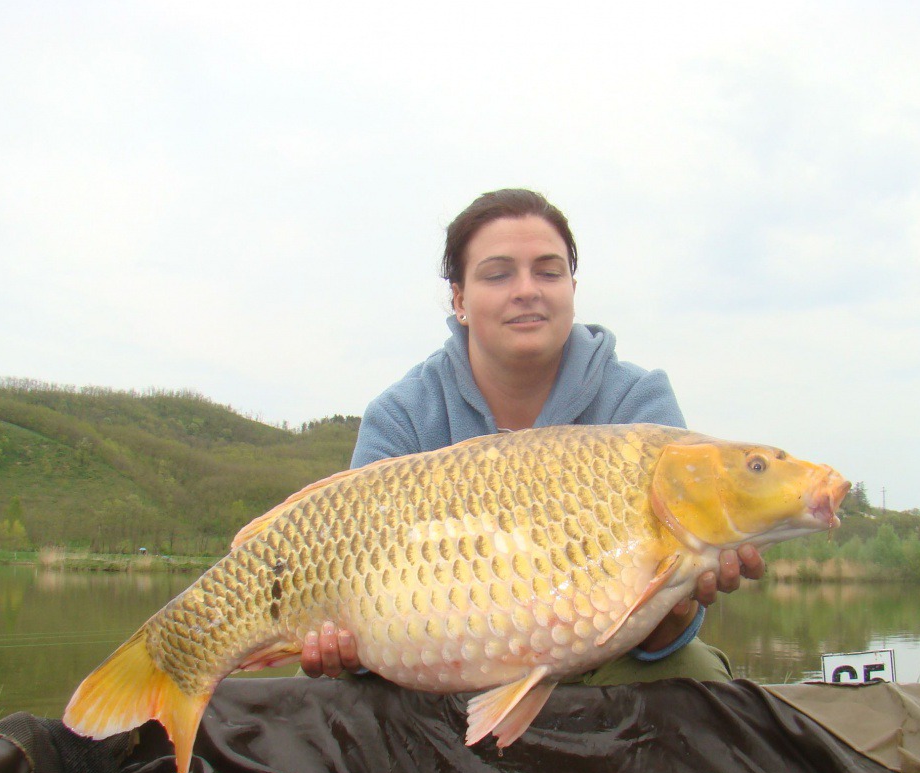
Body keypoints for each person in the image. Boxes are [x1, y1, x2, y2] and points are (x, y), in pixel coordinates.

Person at [300, 188, 762, 684]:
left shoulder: (638, 405)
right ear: (459, 299)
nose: (527, 289)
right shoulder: (404, 416)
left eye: (548, 271)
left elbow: (663, 638)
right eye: (498, 274)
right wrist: (349, 650)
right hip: (438, 667)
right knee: (353, 696)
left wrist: (675, 604)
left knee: (693, 676)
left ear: (572, 288)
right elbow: (362, 607)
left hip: (599, 663)